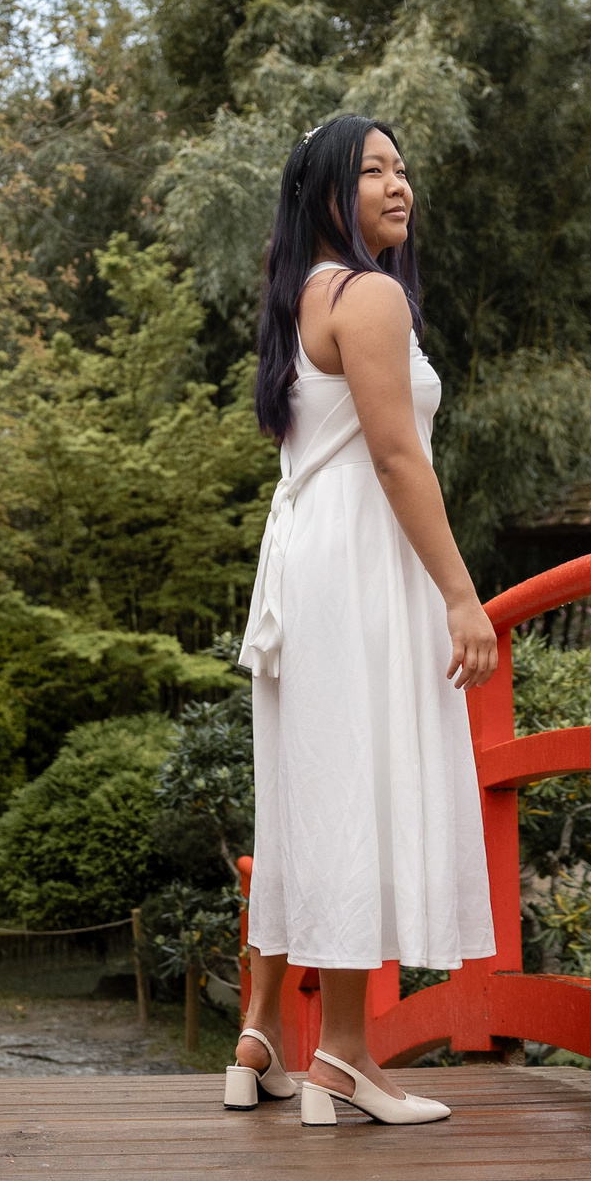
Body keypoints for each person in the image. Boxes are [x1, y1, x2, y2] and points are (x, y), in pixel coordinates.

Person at [224, 114, 498, 1127]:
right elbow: (395, 458)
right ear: (325, 192)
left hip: (311, 560)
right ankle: (341, 1054)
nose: (399, 184)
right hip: (357, 563)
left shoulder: (302, 296)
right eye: (370, 169)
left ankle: (301, 1044)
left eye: (401, 167)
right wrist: (461, 595)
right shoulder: (371, 296)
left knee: (317, 791)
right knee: (354, 784)